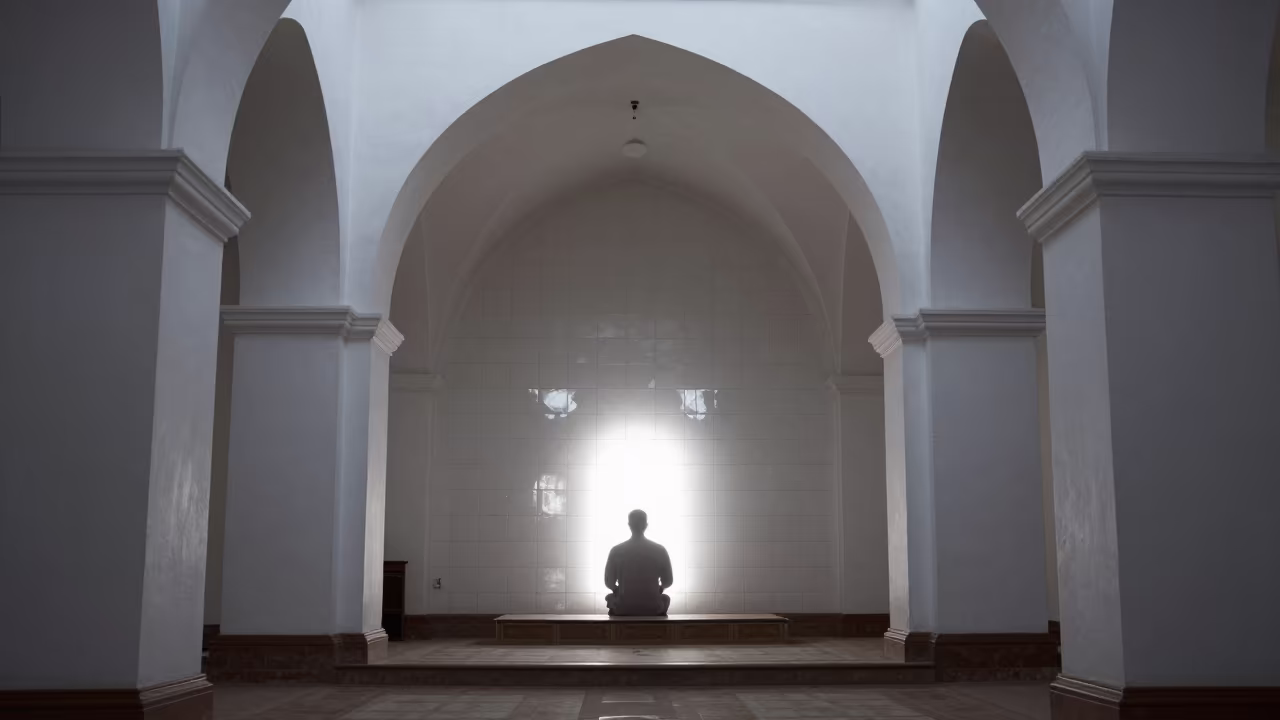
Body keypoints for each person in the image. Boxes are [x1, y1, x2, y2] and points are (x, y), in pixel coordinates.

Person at [603, 509, 673, 616]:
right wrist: (658, 589)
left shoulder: (616, 550)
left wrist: (619, 591)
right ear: (646, 525)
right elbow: (668, 581)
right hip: (653, 607)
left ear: (629, 525)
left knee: (610, 598)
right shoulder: (659, 550)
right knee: (665, 599)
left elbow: (609, 582)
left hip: (623, 607)